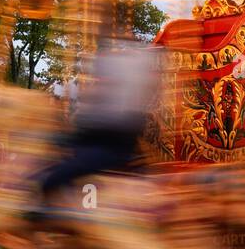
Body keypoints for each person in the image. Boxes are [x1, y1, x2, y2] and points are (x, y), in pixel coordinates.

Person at [32, 23, 165, 216]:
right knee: (53, 147)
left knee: (58, 173)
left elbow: (110, 105)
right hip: (106, 132)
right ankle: (51, 200)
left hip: (112, 136)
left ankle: (47, 207)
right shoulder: (129, 64)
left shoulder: (126, 66)